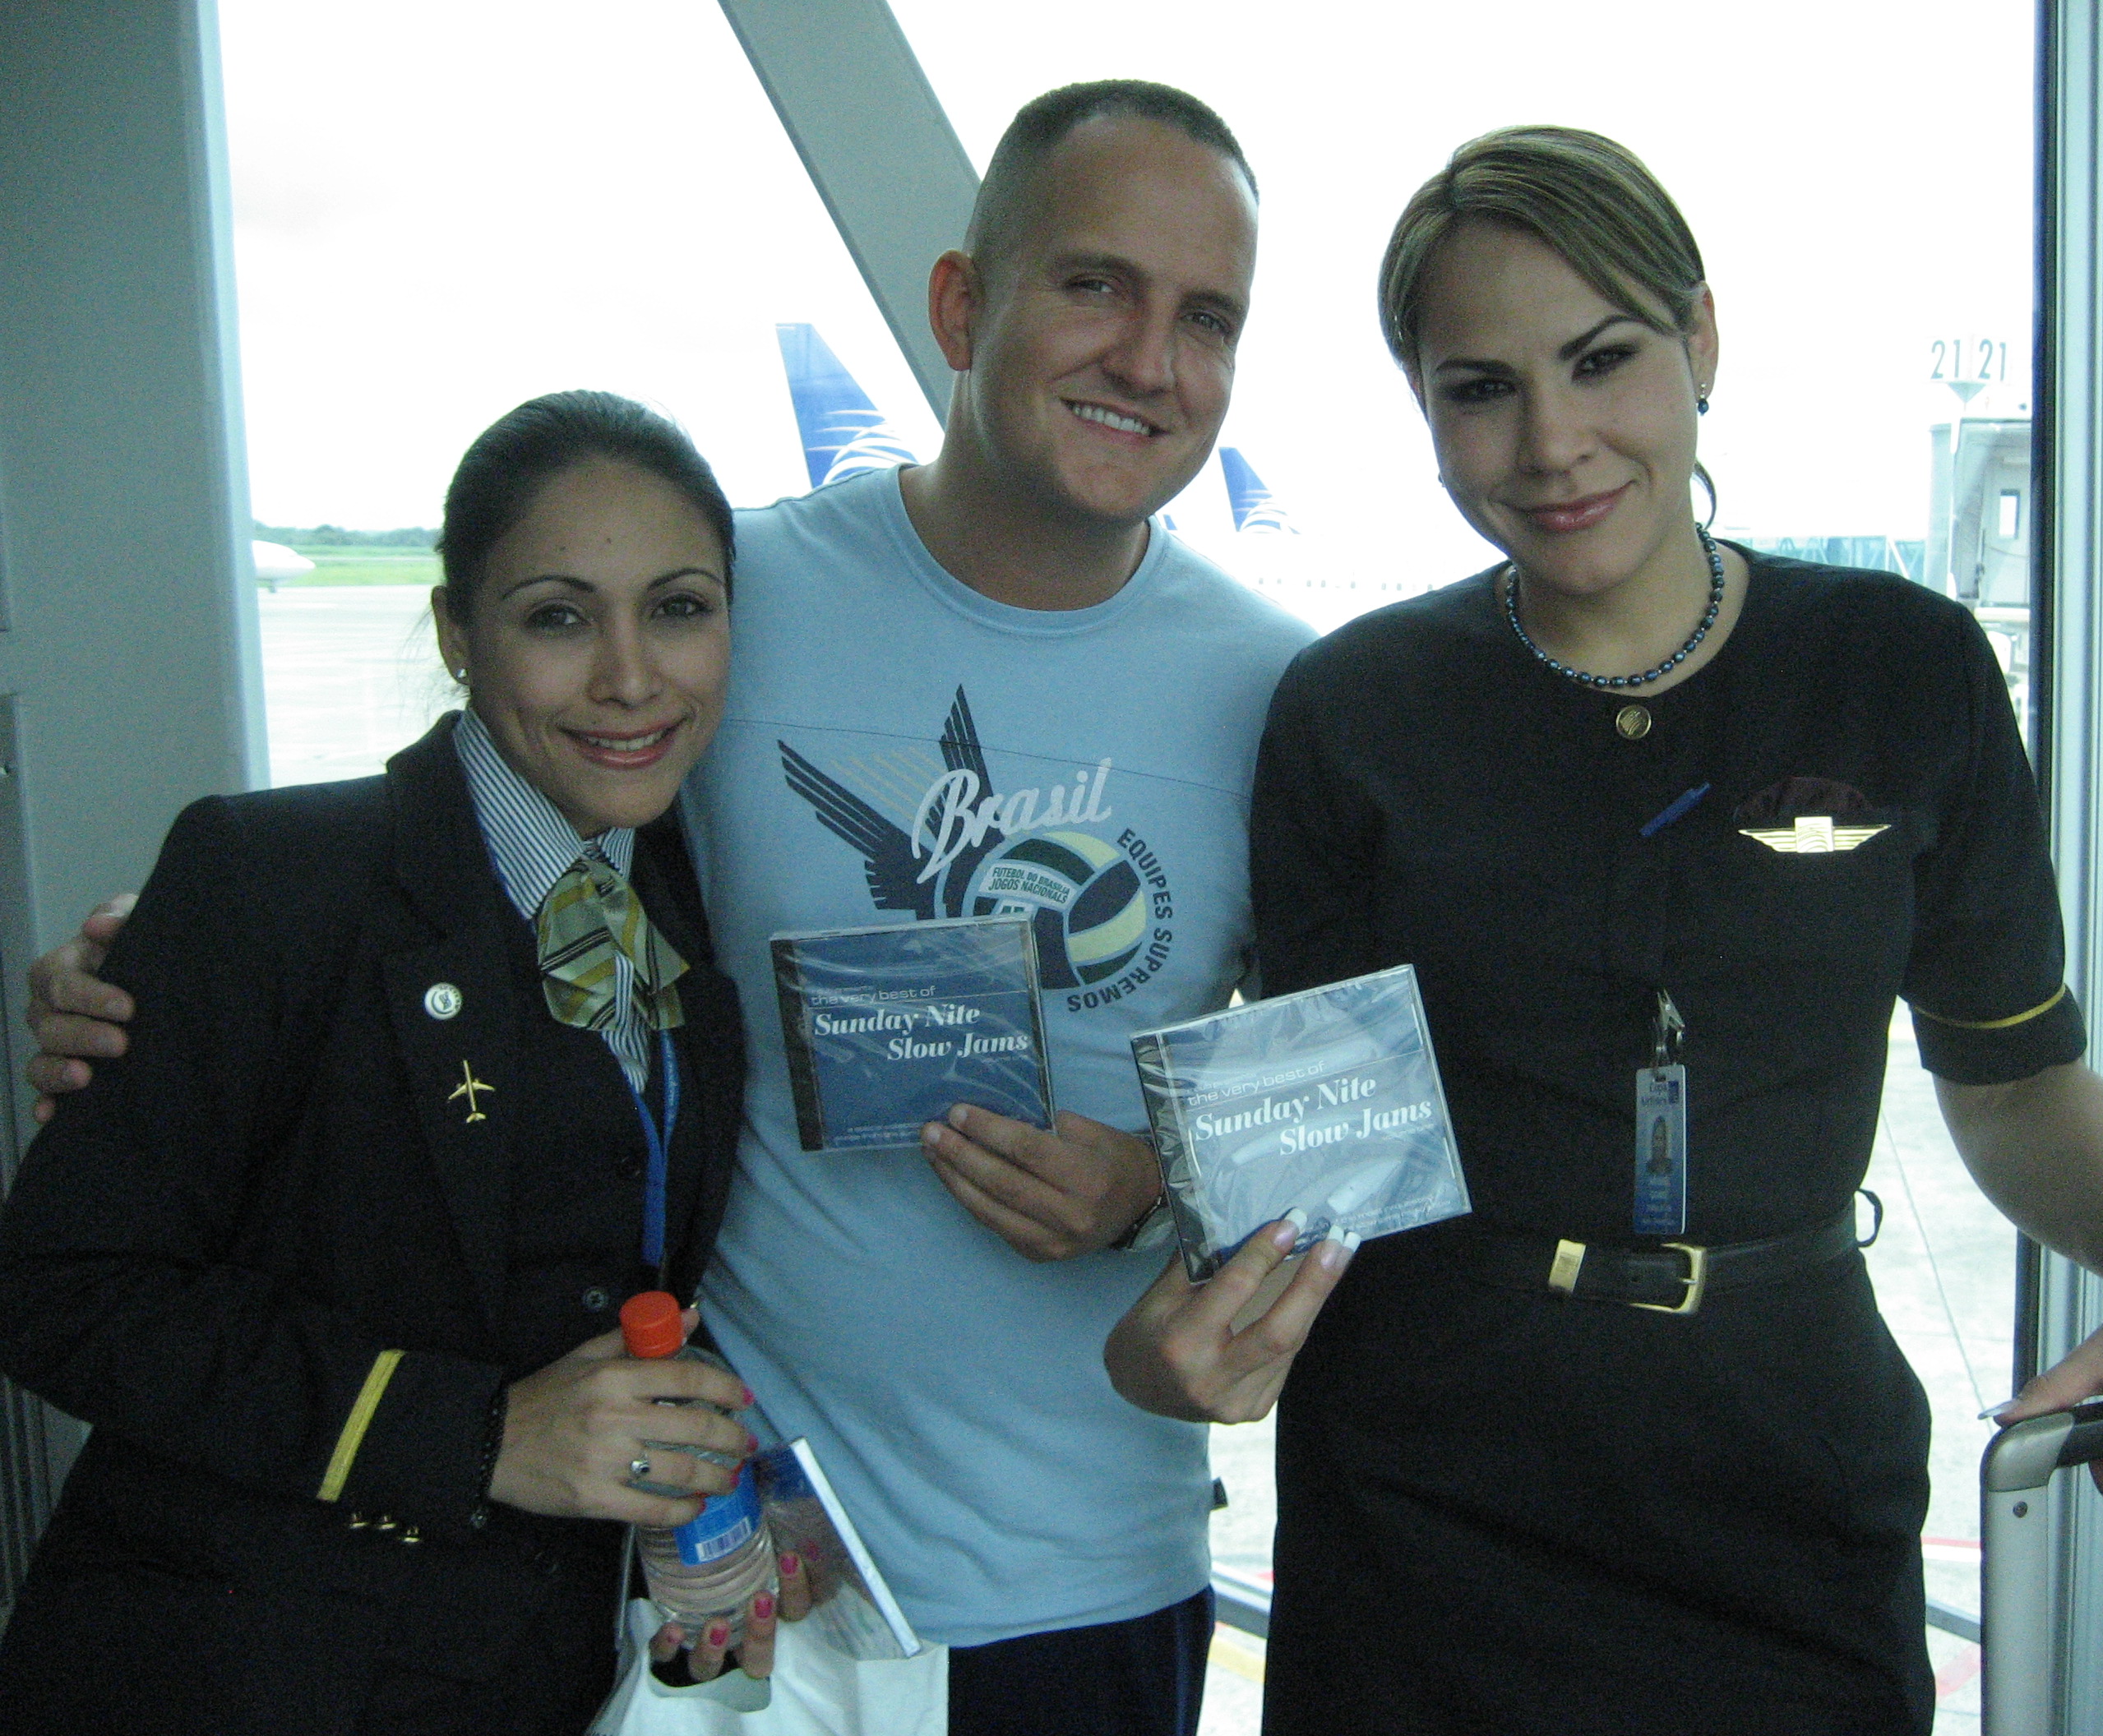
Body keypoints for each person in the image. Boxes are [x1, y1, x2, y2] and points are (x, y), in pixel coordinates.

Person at [23, 82, 1349, 1736]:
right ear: (959, 303)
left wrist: (1162, 1179)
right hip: (730, 1570)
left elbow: (1354, 1100)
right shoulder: (733, 599)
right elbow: (471, 851)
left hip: (1083, 1569)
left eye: (1205, 315)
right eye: (1092, 285)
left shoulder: (1287, 696)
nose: (1149, 359)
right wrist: (155, 970)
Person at [1105, 127, 2103, 1732]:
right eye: (1480, 388)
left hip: (1783, 1476)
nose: (1550, 442)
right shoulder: (1357, 710)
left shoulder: (1901, 667)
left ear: (1702, 345)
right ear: (1424, 413)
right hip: (1420, 1495)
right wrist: (1163, 1299)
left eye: (1602, 360)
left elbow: (2016, 1081)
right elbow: (1323, 1131)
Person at [0, 390, 802, 1733]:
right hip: (249, 1678)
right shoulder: (269, 882)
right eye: (557, 615)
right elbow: (58, 1289)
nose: (630, 676)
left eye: (678, 608)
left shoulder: (673, 891)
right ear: (455, 632)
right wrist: (477, 1435)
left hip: (539, 1673)